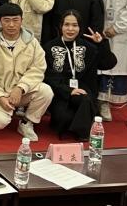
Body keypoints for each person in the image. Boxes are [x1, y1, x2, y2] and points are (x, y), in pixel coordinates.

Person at [0, 3, 53, 141]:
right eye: (6, 20)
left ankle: (26, 122)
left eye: (15, 20)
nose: (11, 25)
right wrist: (0, 97)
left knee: (46, 91)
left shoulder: (32, 42)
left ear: (21, 20)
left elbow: (37, 69)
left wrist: (21, 88)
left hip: (21, 93)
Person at [44, 11, 117, 140]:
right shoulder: (49, 47)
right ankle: (79, 123)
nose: (70, 29)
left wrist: (101, 43)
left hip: (85, 92)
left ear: (80, 27)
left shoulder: (89, 47)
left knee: (85, 99)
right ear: (61, 26)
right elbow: (48, 77)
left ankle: (83, 134)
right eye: (67, 25)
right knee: (64, 118)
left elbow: (109, 64)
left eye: (74, 25)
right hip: (60, 92)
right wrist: (69, 91)